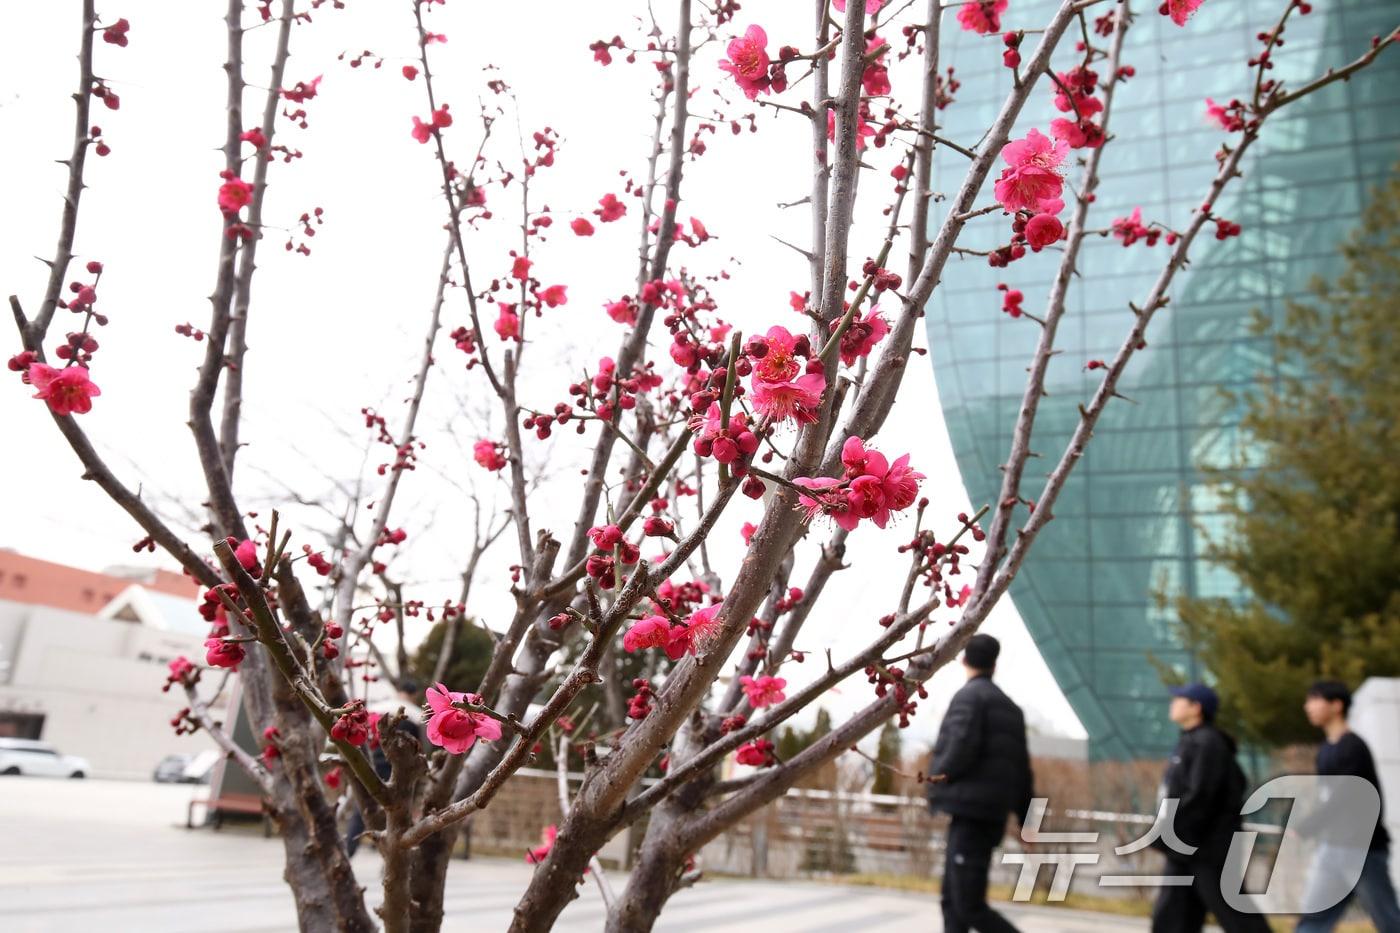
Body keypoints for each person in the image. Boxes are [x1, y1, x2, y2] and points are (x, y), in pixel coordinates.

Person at [925, 633, 1034, 933]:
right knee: (952, 902)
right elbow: (1023, 771)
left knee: (968, 906)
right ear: (994, 664)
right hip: (990, 818)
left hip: (970, 816)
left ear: (964, 660)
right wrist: (1028, 822)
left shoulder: (969, 697)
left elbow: (959, 746)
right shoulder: (1011, 710)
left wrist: (933, 786)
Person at [1150, 683, 1269, 933]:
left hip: (1207, 847)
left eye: (1180, 699)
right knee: (1174, 914)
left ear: (1196, 708)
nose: (1173, 704)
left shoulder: (1208, 743)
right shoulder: (1191, 741)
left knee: (1232, 911)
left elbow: (1201, 796)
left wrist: (1168, 833)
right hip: (1187, 846)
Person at [1294, 680, 1400, 932]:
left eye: (1314, 699)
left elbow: (1345, 797)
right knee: (1313, 919)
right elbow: (1327, 797)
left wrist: (1307, 826)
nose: (1307, 706)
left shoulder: (1353, 747)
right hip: (1333, 848)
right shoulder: (1325, 751)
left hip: (1361, 850)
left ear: (1336, 705)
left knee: (1388, 920)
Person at [346, 679, 424, 857]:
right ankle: (394, 856)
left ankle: (348, 851)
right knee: (397, 816)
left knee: (362, 811)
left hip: (370, 765)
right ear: (413, 695)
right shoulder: (412, 717)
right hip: (396, 771)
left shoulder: (379, 709)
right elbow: (415, 749)